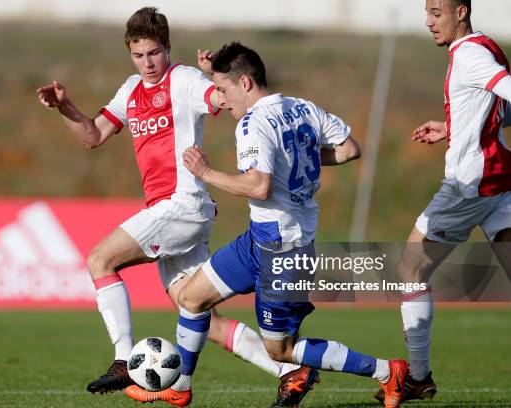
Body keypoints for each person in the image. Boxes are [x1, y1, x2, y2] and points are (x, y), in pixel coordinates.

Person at [36, 7, 312, 405]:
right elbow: (94, 135)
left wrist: (214, 76)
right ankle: (290, 371)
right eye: (138, 55)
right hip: (172, 211)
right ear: (130, 54)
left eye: (153, 53)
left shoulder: (182, 79)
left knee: (99, 260)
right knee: (199, 312)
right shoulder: (130, 89)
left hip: (182, 204)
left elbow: (220, 97)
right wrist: (65, 106)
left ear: (167, 47)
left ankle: (121, 359)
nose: (147, 63)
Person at [125, 42, 408, 408]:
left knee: (281, 350)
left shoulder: (252, 123)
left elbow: (259, 187)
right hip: (260, 239)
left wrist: (207, 173)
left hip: (283, 248)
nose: (221, 101)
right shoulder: (302, 107)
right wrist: (296, 158)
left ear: (244, 84)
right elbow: (349, 148)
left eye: (224, 91)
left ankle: (386, 371)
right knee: (193, 299)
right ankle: (179, 387)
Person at [374, 0, 511, 404]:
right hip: (499, 180)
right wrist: (452, 126)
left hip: (469, 185)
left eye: (437, 12)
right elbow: (496, 111)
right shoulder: (487, 46)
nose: (430, 21)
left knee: (410, 266)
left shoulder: (468, 53)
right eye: (427, 12)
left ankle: (417, 377)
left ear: (461, 12)